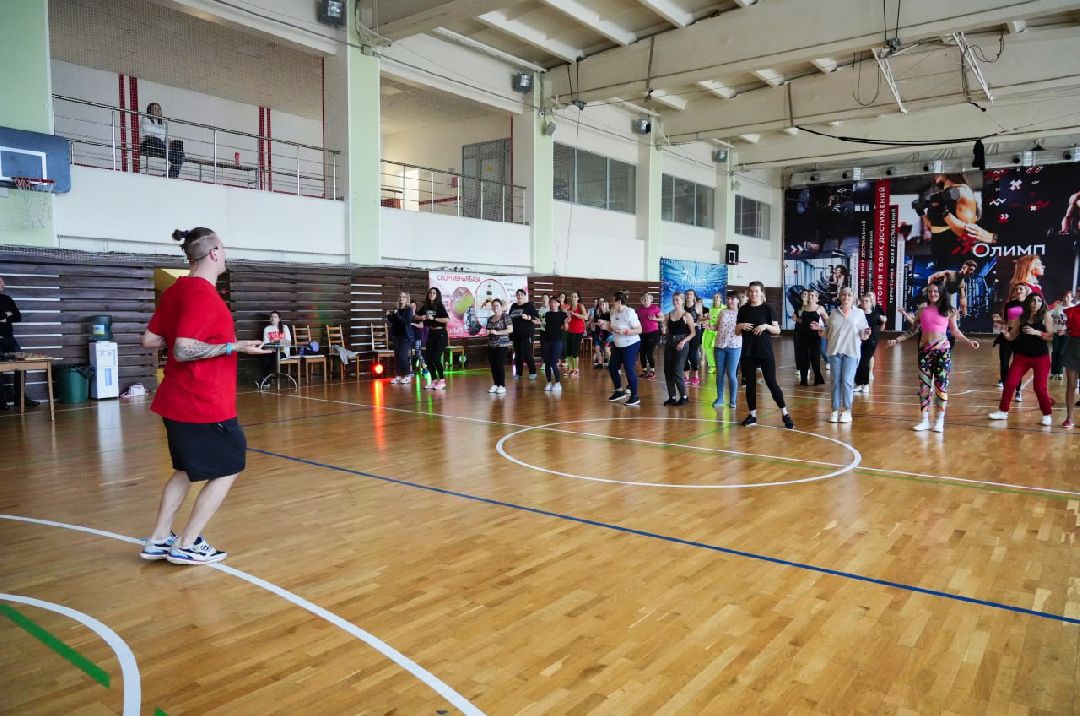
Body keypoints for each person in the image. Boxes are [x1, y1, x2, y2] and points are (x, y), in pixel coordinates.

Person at [139, 227, 268, 565]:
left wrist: (195, 340)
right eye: (223, 249)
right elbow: (182, 349)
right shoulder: (201, 294)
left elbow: (151, 340)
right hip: (203, 403)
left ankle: (157, 539)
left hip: (177, 400)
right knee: (230, 465)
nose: (225, 254)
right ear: (213, 253)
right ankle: (187, 543)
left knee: (184, 469)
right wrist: (233, 346)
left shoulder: (176, 291)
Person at [887, 282, 980, 433]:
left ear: (941, 292)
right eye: (930, 292)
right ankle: (924, 420)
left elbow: (955, 332)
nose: (932, 294)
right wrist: (896, 340)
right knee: (924, 387)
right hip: (925, 353)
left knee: (941, 387)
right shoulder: (922, 310)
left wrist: (969, 341)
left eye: (935, 291)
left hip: (942, 353)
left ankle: (939, 421)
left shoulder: (949, 311)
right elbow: (912, 331)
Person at [987, 292, 1054, 425]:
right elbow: (1013, 336)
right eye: (1033, 301)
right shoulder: (1021, 317)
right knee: (1010, 383)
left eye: (1039, 301)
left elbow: (1051, 336)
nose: (1036, 303)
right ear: (1028, 302)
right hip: (1022, 356)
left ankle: (1047, 414)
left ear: (1042, 303)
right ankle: (1003, 411)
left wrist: (1037, 332)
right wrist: (1006, 334)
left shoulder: (1045, 316)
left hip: (1041, 357)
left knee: (1039, 387)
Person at [736, 282, 793, 428]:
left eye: (756, 291)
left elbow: (777, 330)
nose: (753, 294)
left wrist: (765, 326)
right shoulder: (743, 309)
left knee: (771, 383)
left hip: (764, 351)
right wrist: (741, 326)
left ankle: (785, 413)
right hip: (748, 352)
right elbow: (736, 332)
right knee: (750, 385)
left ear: (761, 292)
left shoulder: (768, 308)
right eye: (751, 291)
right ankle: (752, 416)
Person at [821, 287, 870, 423]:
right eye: (844, 295)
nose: (846, 297)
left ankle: (847, 410)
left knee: (847, 382)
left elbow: (863, 333)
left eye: (849, 295)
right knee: (835, 382)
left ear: (853, 297)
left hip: (852, 352)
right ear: (840, 297)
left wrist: (865, 333)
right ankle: (835, 410)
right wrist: (820, 330)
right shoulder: (833, 313)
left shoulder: (859, 313)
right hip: (835, 352)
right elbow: (827, 331)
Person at [0, 276, 40, 409]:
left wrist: (4, 316)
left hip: (9, 338)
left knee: (22, 363)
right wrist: (7, 314)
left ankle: (20, 398)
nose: (4, 284)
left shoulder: (7, 299)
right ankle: (1, 402)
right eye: (1, 281)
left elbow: (18, 316)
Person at [602, 291, 642, 406]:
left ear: (619, 301)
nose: (611, 303)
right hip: (618, 345)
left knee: (628, 368)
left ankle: (635, 396)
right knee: (612, 366)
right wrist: (605, 326)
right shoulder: (613, 312)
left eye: (613, 301)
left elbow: (639, 330)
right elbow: (613, 328)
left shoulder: (629, 313)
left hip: (631, 344)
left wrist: (626, 331)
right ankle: (619, 391)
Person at [992, 283, 1029, 398]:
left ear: (1025, 291)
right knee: (1004, 363)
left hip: (1021, 339)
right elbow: (1008, 322)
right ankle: (1005, 387)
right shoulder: (1009, 305)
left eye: (1021, 289)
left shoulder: (1029, 305)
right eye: (1016, 289)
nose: (1018, 291)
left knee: (1017, 365)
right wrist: (999, 321)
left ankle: (1018, 390)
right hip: (1007, 337)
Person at [711, 291, 743, 410]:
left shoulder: (742, 313)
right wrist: (710, 326)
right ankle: (720, 398)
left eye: (732, 299)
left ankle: (733, 400)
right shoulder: (722, 312)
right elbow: (717, 326)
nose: (729, 301)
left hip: (734, 347)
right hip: (719, 346)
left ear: (738, 300)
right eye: (728, 299)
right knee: (720, 374)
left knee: (731, 374)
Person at [663, 292, 695, 406]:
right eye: (674, 300)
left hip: (682, 342)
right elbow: (666, 331)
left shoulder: (687, 315)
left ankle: (684, 397)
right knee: (667, 370)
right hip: (670, 342)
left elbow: (693, 333)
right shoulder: (668, 315)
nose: (675, 302)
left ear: (682, 301)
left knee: (677, 370)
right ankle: (672, 396)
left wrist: (683, 341)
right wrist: (663, 328)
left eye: (677, 300)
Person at [414, 287, 450, 390]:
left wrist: (434, 318)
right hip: (431, 333)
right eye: (430, 293)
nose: (431, 294)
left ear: (437, 295)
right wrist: (421, 317)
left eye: (434, 293)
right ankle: (434, 381)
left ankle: (442, 380)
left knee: (436, 358)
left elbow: (446, 319)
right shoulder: (426, 306)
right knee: (428, 359)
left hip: (441, 334)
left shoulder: (439, 306)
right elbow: (416, 316)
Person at [139, 102, 184, 179]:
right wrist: (164, 140)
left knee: (180, 150)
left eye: (159, 109)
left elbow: (167, 136)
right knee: (156, 140)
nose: (158, 110)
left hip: (161, 145)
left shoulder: (163, 123)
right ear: (150, 110)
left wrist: (170, 142)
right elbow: (148, 134)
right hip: (149, 143)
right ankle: (173, 155)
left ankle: (172, 175)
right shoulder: (146, 119)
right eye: (155, 108)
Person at [854, 292, 887, 392]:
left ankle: (866, 384)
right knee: (859, 362)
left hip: (871, 341)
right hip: (859, 340)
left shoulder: (875, 315)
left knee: (864, 361)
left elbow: (881, 327)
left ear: (871, 303)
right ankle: (859, 384)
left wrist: (883, 322)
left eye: (867, 301)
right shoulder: (858, 314)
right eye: (863, 301)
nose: (864, 302)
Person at [796, 290, 827, 386]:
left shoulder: (820, 308)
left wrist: (821, 327)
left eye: (813, 295)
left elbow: (827, 321)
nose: (810, 297)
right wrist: (796, 319)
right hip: (803, 335)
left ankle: (818, 378)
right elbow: (801, 320)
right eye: (809, 295)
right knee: (803, 357)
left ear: (817, 297)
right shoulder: (803, 307)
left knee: (814, 357)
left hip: (815, 336)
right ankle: (804, 379)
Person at [508, 288, 539, 380]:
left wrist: (528, 317)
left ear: (524, 296)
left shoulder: (529, 306)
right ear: (516, 296)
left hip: (527, 334)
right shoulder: (513, 306)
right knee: (518, 354)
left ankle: (532, 372)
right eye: (518, 295)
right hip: (516, 334)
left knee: (527, 354)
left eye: (521, 294)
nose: (520, 296)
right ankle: (518, 373)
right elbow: (509, 318)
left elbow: (537, 319)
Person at [485, 299, 513, 394]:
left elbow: (510, 329)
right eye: (493, 306)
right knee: (493, 364)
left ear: (501, 306)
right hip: (491, 344)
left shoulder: (505, 316)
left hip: (502, 344)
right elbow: (487, 330)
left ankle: (502, 385)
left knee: (499, 364)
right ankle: (496, 384)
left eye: (497, 305)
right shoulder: (490, 318)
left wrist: (497, 332)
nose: (495, 307)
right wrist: (488, 332)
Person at [386, 291, 414, 384]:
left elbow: (406, 322)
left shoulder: (409, 309)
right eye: (400, 297)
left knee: (402, 355)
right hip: (397, 335)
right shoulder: (396, 308)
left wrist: (397, 314)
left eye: (404, 297)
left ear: (406, 299)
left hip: (406, 336)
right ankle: (399, 375)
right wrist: (388, 315)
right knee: (397, 356)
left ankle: (407, 375)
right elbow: (394, 321)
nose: (402, 299)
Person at [1060, 299, 1080, 428]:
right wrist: (1063, 331)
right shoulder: (1071, 311)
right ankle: (1069, 418)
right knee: (1071, 385)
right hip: (1073, 348)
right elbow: (1065, 329)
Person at [542, 297, 569, 392]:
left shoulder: (563, 314)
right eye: (551, 302)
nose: (553, 304)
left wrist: (566, 323)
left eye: (554, 303)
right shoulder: (547, 314)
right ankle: (549, 382)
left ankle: (558, 383)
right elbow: (547, 326)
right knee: (547, 363)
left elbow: (566, 329)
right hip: (546, 341)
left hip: (557, 341)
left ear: (558, 304)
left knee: (553, 363)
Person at [1049, 290, 1075, 380]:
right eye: (1065, 296)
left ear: (1072, 298)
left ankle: (1059, 373)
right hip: (1057, 333)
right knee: (1055, 352)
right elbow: (1052, 317)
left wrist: (1066, 330)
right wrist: (1055, 328)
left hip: (1067, 335)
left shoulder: (1074, 308)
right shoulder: (1058, 307)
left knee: (1061, 353)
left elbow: (1074, 323)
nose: (1066, 298)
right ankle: (1053, 372)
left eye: (1068, 297)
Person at [636, 292, 662, 379]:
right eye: (644, 298)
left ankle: (652, 371)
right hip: (643, 334)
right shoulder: (639, 310)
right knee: (642, 353)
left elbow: (662, 318)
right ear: (641, 300)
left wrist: (655, 318)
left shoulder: (655, 307)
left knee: (649, 352)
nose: (646, 299)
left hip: (653, 333)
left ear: (651, 300)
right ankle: (644, 371)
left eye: (648, 298)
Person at [564, 292, 588, 377]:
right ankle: (570, 369)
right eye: (572, 296)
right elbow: (567, 321)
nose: (573, 298)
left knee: (575, 351)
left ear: (578, 298)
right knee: (568, 351)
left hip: (578, 331)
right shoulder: (569, 308)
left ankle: (576, 370)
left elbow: (586, 317)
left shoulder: (580, 306)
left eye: (575, 297)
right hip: (570, 331)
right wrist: (568, 317)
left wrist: (575, 314)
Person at [701, 292, 723, 376]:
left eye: (717, 297)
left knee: (718, 350)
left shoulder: (724, 308)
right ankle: (712, 366)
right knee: (707, 348)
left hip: (719, 332)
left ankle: (719, 366)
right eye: (714, 297)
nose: (715, 298)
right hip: (709, 331)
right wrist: (706, 320)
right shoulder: (710, 309)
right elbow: (707, 320)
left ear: (720, 299)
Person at [684, 290, 703, 386]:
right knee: (684, 355)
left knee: (692, 354)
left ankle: (695, 375)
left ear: (694, 296)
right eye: (687, 294)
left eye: (690, 294)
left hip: (695, 332)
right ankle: (686, 376)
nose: (688, 296)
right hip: (683, 332)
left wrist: (705, 319)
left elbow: (700, 319)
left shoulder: (698, 306)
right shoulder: (682, 306)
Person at [790, 289, 809, 376]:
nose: (803, 295)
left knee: (806, 351)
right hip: (797, 330)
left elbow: (805, 321)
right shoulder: (798, 306)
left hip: (808, 332)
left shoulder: (811, 306)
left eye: (805, 294)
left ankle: (807, 368)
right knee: (797, 350)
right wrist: (795, 317)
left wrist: (797, 319)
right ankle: (799, 368)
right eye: (802, 294)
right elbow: (795, 317)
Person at [592, 298, 611, 369]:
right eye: (600, 304)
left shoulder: (609, 313)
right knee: (596, 347)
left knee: (606, 348)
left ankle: (610, 363)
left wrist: (603, 323)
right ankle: (600, 363)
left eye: (603, 304)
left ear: (606, 305)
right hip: (598, 333)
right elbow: (595, 322)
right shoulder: (596, 312)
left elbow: (611, 323)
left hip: (607, 333)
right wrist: (597, 323)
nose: (601, 305)